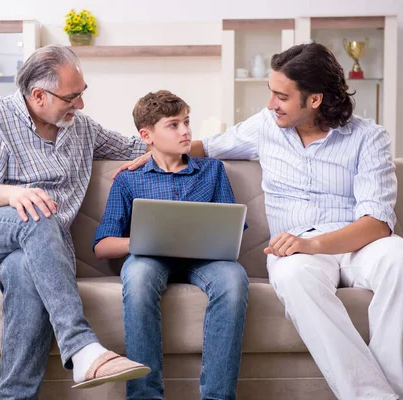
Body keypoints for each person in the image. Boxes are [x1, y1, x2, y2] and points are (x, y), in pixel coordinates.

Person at [117, 43, 403, 400]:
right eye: (271, 93)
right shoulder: (265, 126)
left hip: (356, 243)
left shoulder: (368, 136)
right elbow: (208, 146)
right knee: (294, 276)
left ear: (314, 99)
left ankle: (395, 388)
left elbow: (377, 223)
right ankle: (373, 396)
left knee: (398, 257)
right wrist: (151, 153)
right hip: (294, 252)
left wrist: (314, 243)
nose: (271, 104)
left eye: (281, 96)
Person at [0, 44, 153, 400]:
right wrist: (13, 195)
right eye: (72, 97)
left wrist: (203, 144)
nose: (80, 105)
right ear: (38, 95)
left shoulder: (82, 129)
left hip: (37, 251)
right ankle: (82, 347)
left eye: (82, 94)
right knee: (39, 208)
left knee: (25, 271)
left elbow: (139, 146)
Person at [94, 90, 249, 400]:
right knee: (137, 276)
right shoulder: (129, 180)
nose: (186, 131)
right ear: (146, 135)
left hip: (206, 259)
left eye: (187, 122)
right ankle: (144, 395)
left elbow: (232, 228)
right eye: (174, 125)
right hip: (150, 258)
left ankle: (218, 396)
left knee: (234, 279)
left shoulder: (212, 171)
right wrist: (145, 241)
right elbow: (102, 246)